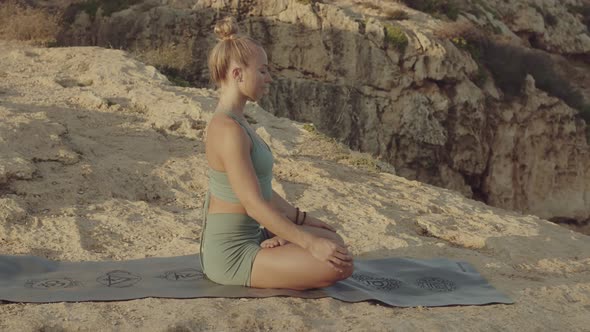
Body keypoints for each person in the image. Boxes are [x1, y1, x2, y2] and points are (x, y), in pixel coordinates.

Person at [200, 17, 354, 290]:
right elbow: (253, 204)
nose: (269, 78)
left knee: (334, 242)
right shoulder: (227, 130)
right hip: (233, 255)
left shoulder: (239, 121)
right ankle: (275, 242)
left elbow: (263, 191)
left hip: (255, 235)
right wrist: (308, 242)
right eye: (263, 71)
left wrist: (302, 220)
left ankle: (275, 238)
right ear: (238, 74)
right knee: (338, 264)